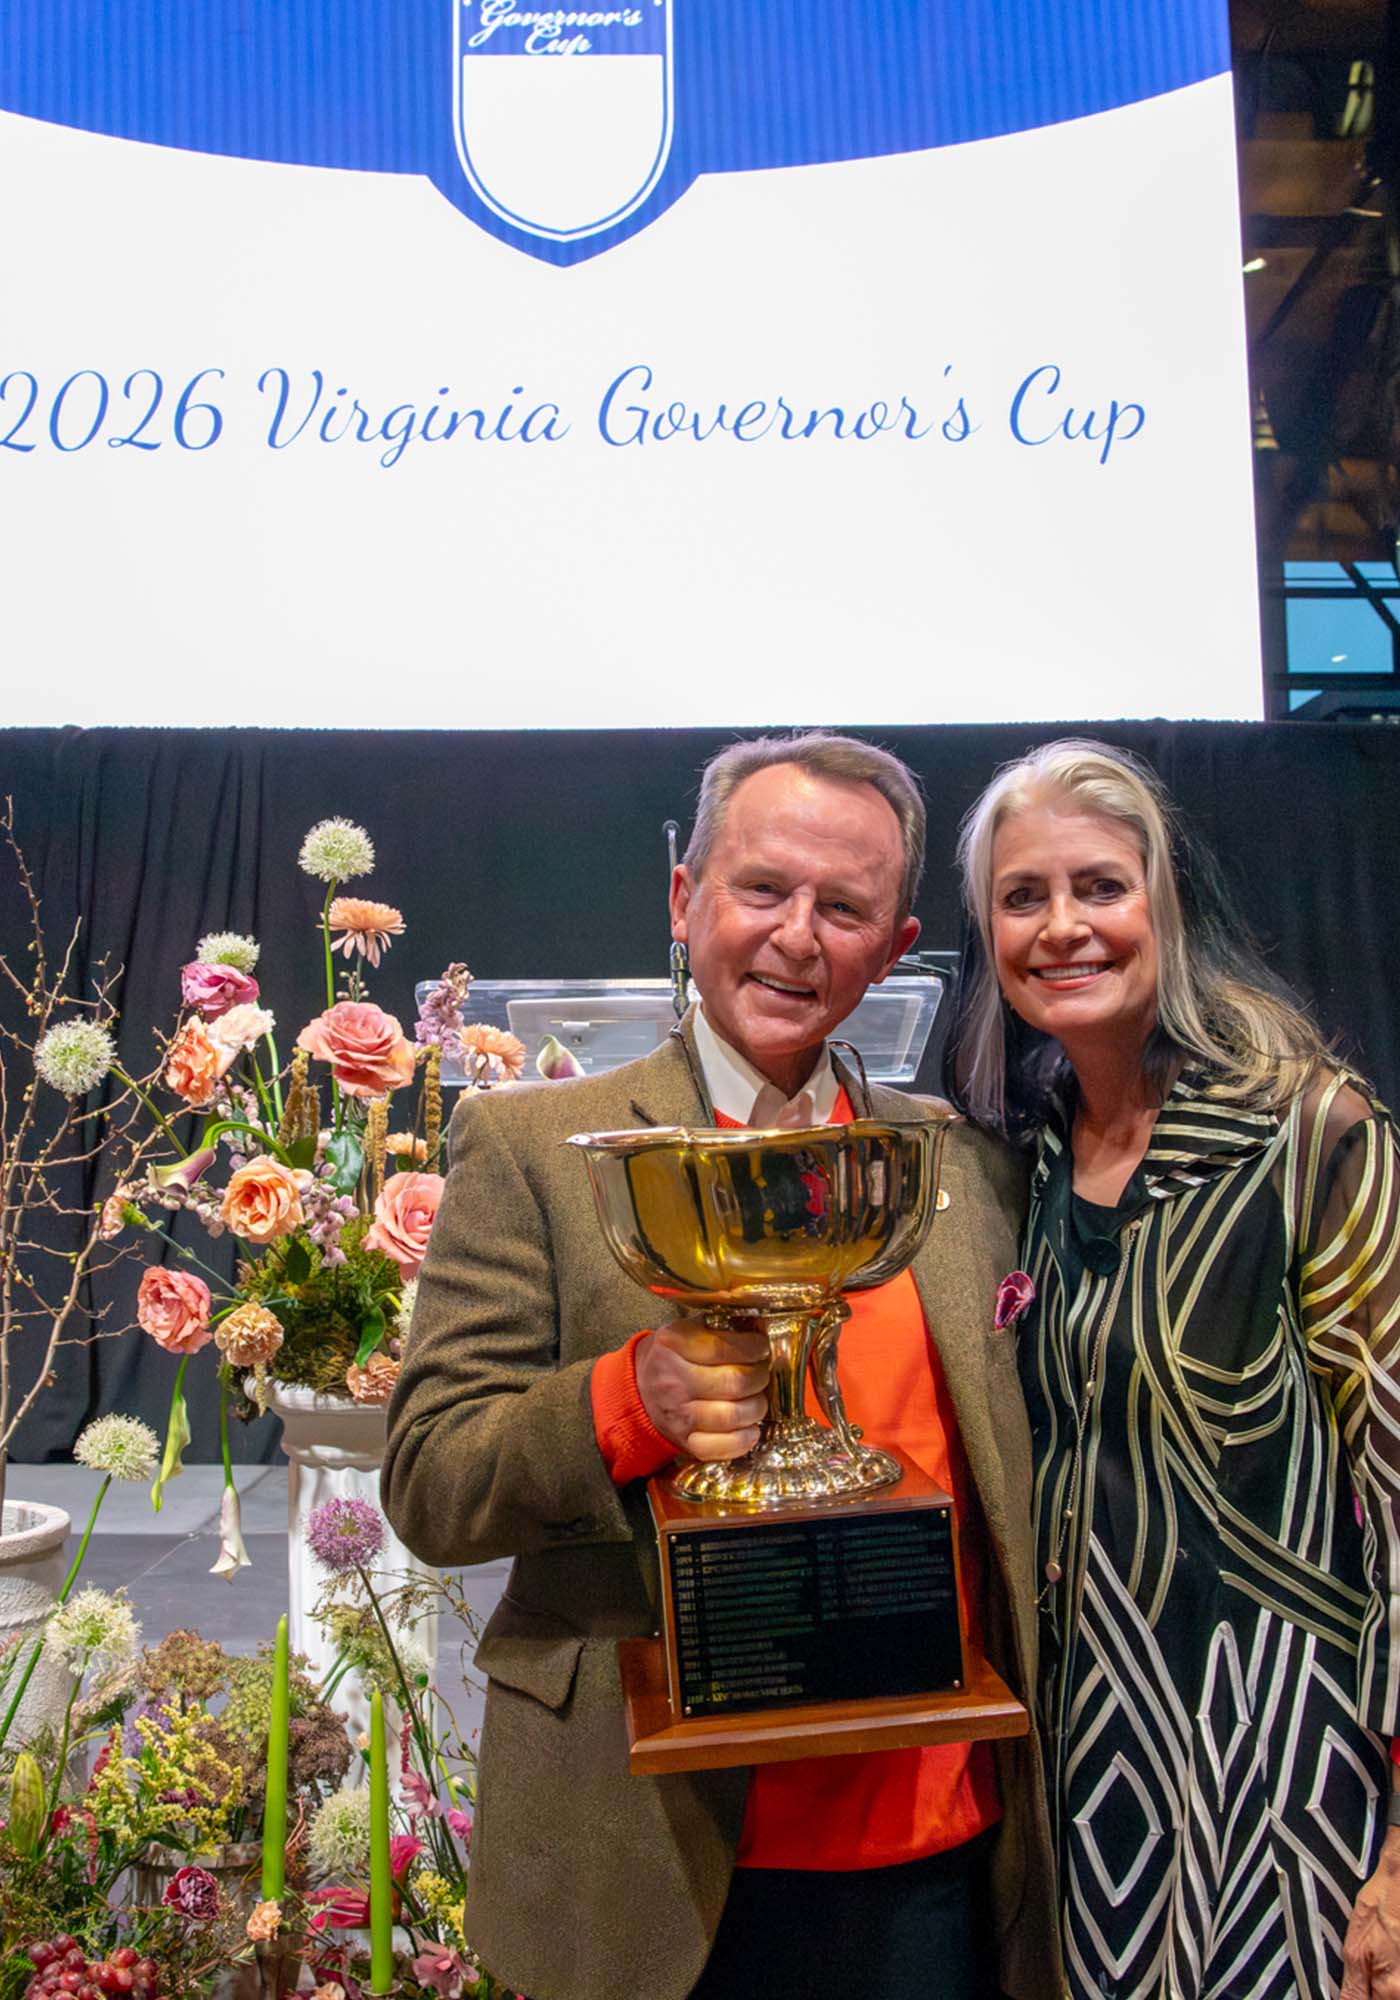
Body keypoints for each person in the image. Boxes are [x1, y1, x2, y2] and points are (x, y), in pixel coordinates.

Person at [383, 730, 1059, 2000]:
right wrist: (622, 1399)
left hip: (936, 1847)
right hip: (649, 1859)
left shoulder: (962, 1169)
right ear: (685, 898)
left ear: (894, 945)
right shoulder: (534, 1149)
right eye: (761, 888)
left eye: (843, 907)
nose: (796, 935)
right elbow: (431, 1481)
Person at [948, 736, 1400, 2000]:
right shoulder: (1031, 1151)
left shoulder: (1309, 1133)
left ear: (1166, 902)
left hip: (1289, 1776)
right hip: (1089, 1782)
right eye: (1021, 896)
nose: (1061, 926)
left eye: (1099, 885)